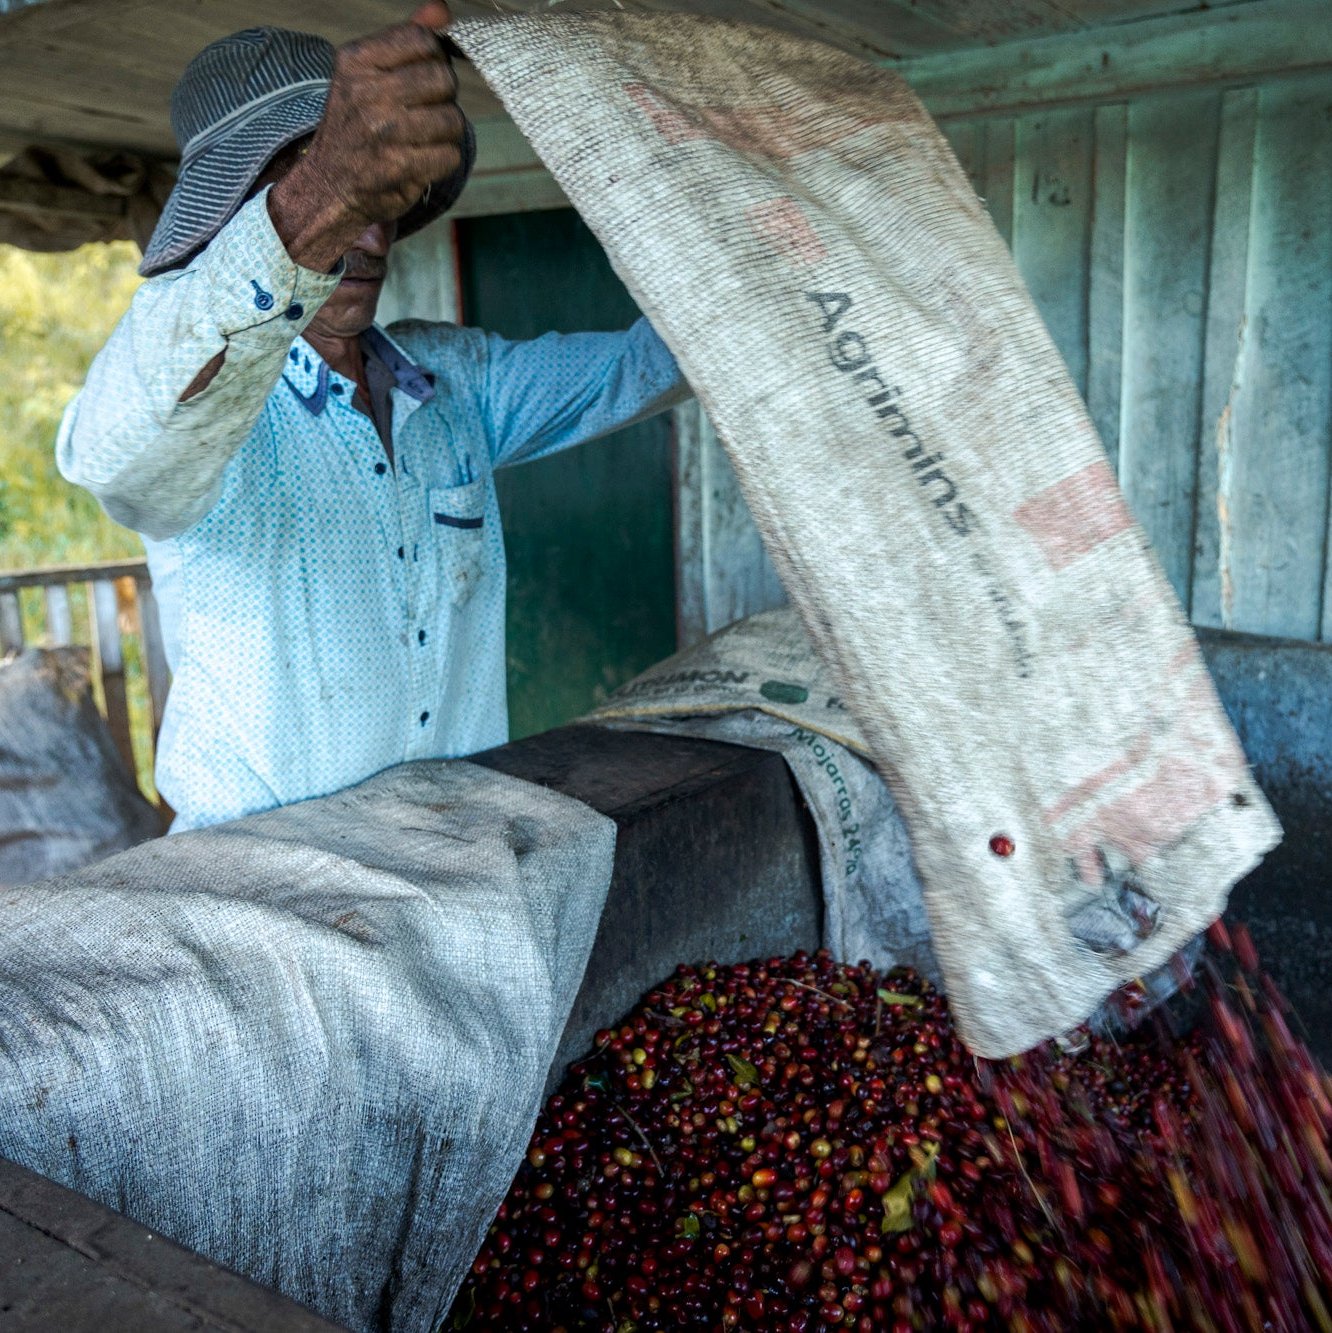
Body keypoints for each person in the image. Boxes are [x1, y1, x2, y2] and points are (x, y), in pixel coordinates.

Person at [57, 4, 688, 831]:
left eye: (380, 191)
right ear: (235, 219)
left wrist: (767, 261)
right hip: (257, 892)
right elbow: (108, 455)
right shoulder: (204, 413)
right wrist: (320, 195)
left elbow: (646, 365)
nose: (369, 231)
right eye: (328, 189)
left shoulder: (456, 380)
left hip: (447, 863)